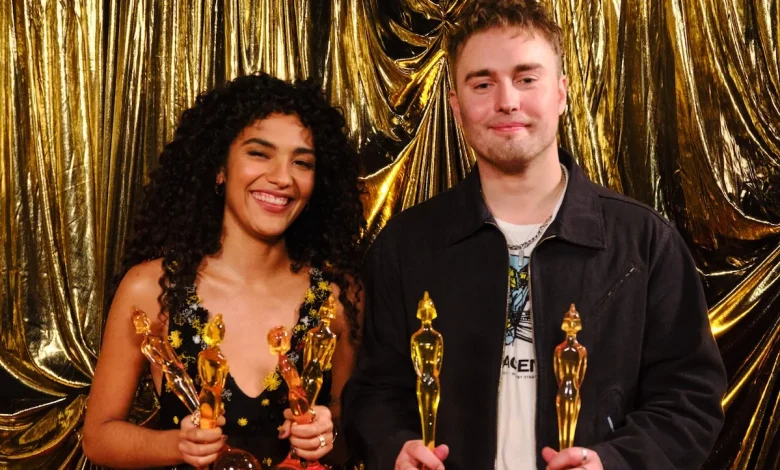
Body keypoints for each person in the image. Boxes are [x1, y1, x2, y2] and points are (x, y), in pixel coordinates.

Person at [341, 1, 727, 469]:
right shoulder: (405, 246)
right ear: (456, 107)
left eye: (526, 79)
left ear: (561, 93)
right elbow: (373, 392)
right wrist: (395, 448)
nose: (507, 101)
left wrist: (614, 462)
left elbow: (689, 399)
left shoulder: (644, 242)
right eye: (483, 83)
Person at [83, 72, 365, 469]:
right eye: (259, 154)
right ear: (219, 168)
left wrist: (327, 433)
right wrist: (177, 444)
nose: (282, 177)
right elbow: (98, 437)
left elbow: (357, 435)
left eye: (302, 162)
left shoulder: (338, 296)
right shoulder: (153, 288)